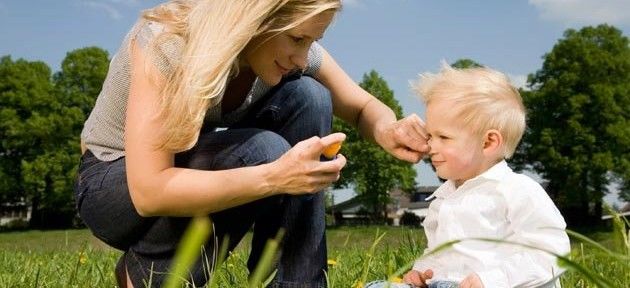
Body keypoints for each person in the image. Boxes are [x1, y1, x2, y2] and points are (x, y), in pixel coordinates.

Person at [74, 1, 429, 287]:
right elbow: (148, 190)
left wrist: (388, 129)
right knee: (265, 152)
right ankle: (150, 274)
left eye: (310, 42)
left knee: (309, 95)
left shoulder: (285, 52)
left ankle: (298, 283)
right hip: (113, 186)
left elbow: (363, 106)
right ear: (258, 18)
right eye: (297, 39)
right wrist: (275, 176)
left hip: (181, 171)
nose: (303, 58)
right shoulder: (167, 42)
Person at [366, 64, 571, 288]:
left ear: (488, 142)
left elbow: (550, 252)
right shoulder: (444, 198)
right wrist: (421, 272)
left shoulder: (517, 190)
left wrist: (490, 280)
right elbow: (439, 254)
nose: (430, 145)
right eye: (430, 135)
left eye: (443, 137)